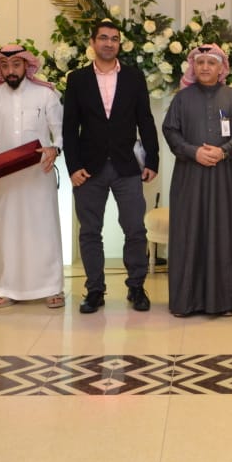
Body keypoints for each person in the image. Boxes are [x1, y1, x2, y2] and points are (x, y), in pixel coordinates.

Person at [63, 19, 159, 313]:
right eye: (103, 38)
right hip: (88, 168)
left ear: (120, 44)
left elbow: (145, 119)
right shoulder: (77, 79)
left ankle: (136, 287)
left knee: (135, 229)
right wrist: (73, 166)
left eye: (114, 39)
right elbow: (70, 127)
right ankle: (95, 290)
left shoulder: (133, 77)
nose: (108, 43)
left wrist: (152, 160)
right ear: (92, 42)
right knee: (90, 231)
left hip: (126, 166)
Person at [161, 44, 232, 317]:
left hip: (222, 177)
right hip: (189, 176)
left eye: (211, 62)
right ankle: (184, 303)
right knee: (187, 233)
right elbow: (170, 131)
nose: (205, 67)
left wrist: (224, 151)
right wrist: (193, 152)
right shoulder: (182, 98)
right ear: (193, 67)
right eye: (200, 63)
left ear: (221, 67)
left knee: (221, 234)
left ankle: (219, 303)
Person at [0, 44, 65, 309]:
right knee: (8, 231)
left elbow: (60, 131)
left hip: (39, 173)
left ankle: (52, 288)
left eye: (16, 64)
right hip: (6, 177)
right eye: (5, 66)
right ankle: (7, 288)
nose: (10, 71)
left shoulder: (45, 95)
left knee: (44, 229)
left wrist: (55, 148)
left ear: (27, 65)